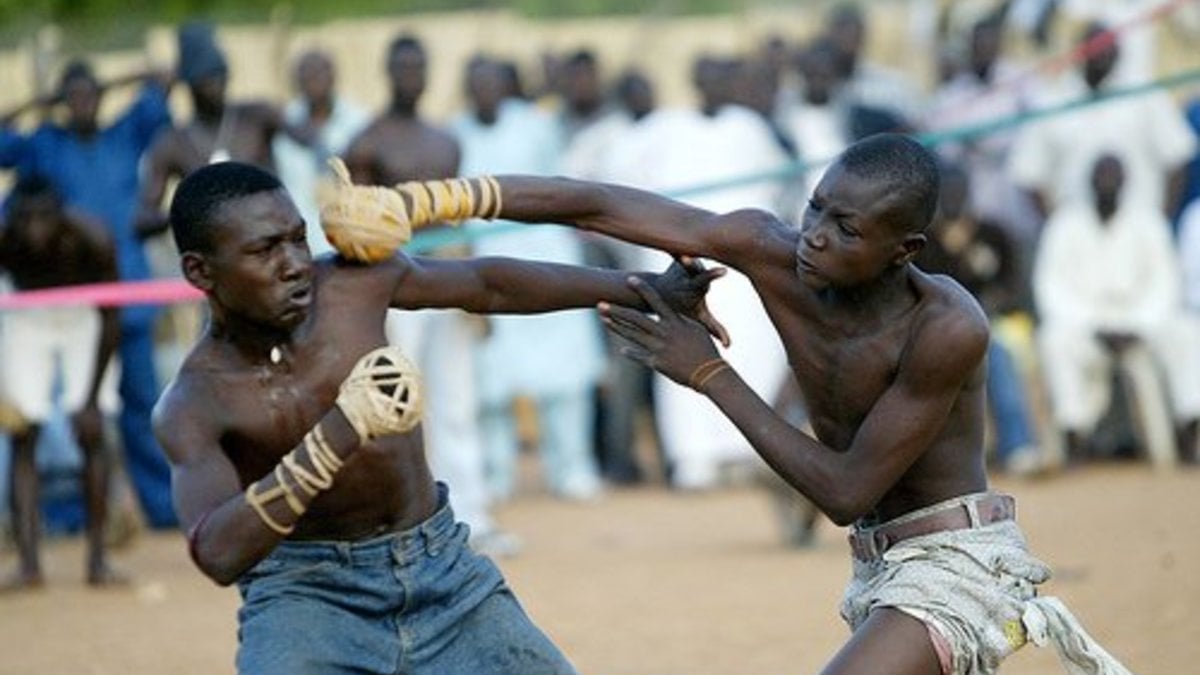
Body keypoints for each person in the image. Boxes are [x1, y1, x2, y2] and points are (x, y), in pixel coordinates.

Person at [385, 133, 1130, 674]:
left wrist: (708, 372)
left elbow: (844, 490)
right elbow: (598, 203)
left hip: (959, 563)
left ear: (905, 250)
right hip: (877, 562)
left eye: (846, 229)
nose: (814, 238)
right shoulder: (771, 249)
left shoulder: (947, 327)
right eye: (815, 209)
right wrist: (434, 201)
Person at [153, 160, 723, 673]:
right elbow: (219, 553)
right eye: (264, 251)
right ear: (200, 272)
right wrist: (337, 433)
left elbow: (487, 284)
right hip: (306, 597)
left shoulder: (350, 284)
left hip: (442, 572)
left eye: (298, 240)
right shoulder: (194, 403)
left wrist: (647, 289)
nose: (295, 265)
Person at [343, 34, 511, 554]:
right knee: (397, 402)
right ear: (388, 71)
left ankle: (473, 516)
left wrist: (478, 292)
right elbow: (356, 226)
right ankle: (407, 520)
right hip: (395, 284)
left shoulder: (446, 141)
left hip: (450, 277)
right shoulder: (366, 143)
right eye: (403, 66)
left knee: (457, 399)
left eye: (420, 67)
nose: (412, 76)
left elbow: (458, 218)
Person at [0, 59, 178, 530]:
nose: (82, 103)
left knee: (142, 410)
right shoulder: (44, 144)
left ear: (100, 96)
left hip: (131, 298)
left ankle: (161, 511)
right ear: (60, 102)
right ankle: (70, 515)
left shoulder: (124, 135)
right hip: (68, 309)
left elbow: (164, 81)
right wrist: (41, 103)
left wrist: (117, 79)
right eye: (71, 96)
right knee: (62, 416)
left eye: (89, 94)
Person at [1033, 154, 1200, 466]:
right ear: (1090, 182)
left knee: (1187, 332)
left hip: (1143, 321)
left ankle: (1190, 428)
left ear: (1125, 182)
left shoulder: (1148, 220)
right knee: (1053, 340)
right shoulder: (1064, 224)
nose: (1107, 185)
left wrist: (1137, 325)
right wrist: (1095, 326)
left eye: (1113, 178)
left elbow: (1165, 281)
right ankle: (1074, 435)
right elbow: (1051, 287)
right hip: (1086, 324)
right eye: (1101, 178)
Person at [0, 177, 122, 588]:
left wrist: (89, 399)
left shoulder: (92, 236)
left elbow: (111, 317)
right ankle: (29, 564)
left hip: (83, 318)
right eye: (25, 220)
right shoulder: (5, 238)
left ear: (60, 216)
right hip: (26, 317)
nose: (34, 230)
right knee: (22, 432)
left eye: (43, 219)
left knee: (92, 431)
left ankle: (99, 560)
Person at [273, 49, 369, 255]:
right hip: (302, 248)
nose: (312, 81)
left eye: (319, 73)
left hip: (352, 244)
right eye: (305, 76)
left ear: (334, 76)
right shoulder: (283, 126)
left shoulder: (359, 123)